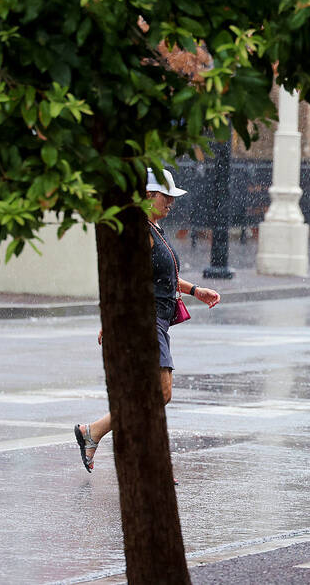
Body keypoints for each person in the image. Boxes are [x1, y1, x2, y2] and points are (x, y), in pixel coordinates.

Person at [73, 168, 220, 474]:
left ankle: (96, 434)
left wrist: (195, 290)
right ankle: (145, 462)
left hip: (158, 321)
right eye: (167, 197)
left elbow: (164, 276)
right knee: (161, 392)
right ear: (150, 195)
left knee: (146, 393)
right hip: (145, 320)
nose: (171, 203)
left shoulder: (154, 229)